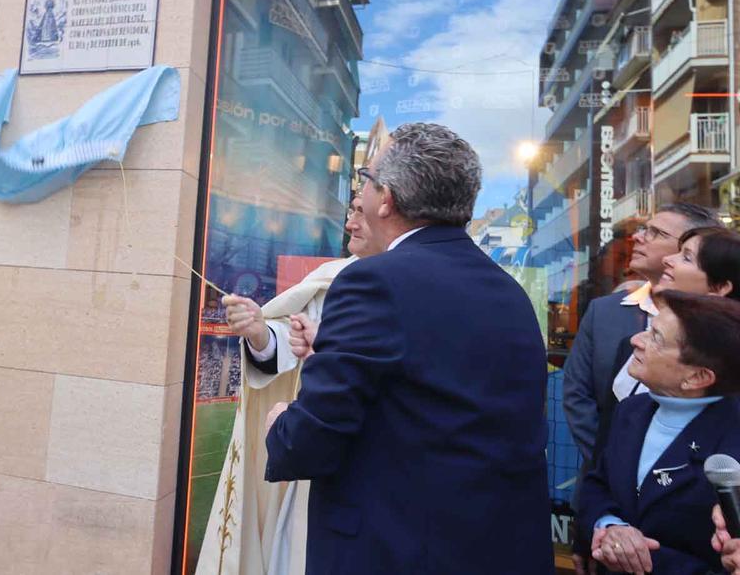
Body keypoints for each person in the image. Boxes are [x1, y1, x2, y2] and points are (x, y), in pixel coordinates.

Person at [264, 123, 552, 573]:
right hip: (495, 548)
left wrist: (280, 423)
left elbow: (310, 441)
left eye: (366, 179)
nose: (361, 192)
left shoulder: (372, 281)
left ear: (387, 200)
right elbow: (437, 394)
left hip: (396, 550)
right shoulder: (509, 293)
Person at [196, 197, 377, 575]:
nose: (350, 224)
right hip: (318, 461)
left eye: (361, 212)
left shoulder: (408, 284)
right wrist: (259, 333)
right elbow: (287, 338)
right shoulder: (331, 278)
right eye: (351, 210)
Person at [579, 291, 740, 574]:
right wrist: (609, 525)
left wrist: (641, 558)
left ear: (697, 377)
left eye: (655, 338)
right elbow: (597, 483)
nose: (635, 340)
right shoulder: (631, 410)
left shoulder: (732, 443)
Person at [565, 204, 723, 468]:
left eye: (657, 233)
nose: (637, 237)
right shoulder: (603, 312)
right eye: (643, 229)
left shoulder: (723, 334)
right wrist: (611, 465)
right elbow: (577, 395)